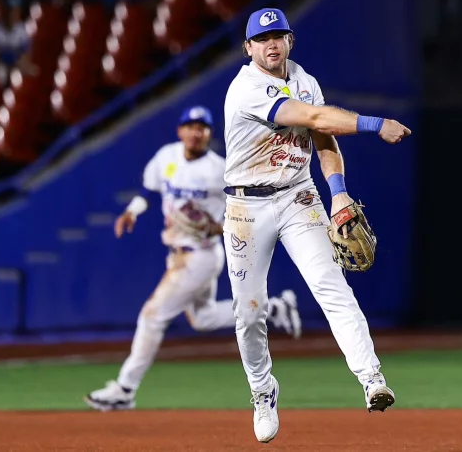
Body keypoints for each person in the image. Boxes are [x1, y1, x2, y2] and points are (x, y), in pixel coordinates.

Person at [222, 8, 411, 443]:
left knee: (332, 286)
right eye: (261, 39)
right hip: (246, 206)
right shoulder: (247, 88)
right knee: (249, 313)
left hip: (297, 195)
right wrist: (376, 124)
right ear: (248, 48)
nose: (271, 44)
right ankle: (262, 391)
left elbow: (323, 139)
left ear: (290, 40)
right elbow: (315, 120)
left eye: (278, 36)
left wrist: (339, 192)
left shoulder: (304, 79)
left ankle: (372, 379)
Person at [85, 105, 302, 412]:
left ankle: (125, 388)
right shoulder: (167, 157)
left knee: (151, 316)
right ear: (180, 131)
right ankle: (274, 308)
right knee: (203, 318)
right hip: (178, 254)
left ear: (209, 134)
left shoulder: (219, 169)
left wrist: (219, 225)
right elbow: (149, 191)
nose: (195, 132)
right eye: (190, 126)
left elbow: (244, 208)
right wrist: (132, 211)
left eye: (202, 127)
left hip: (200, 255)